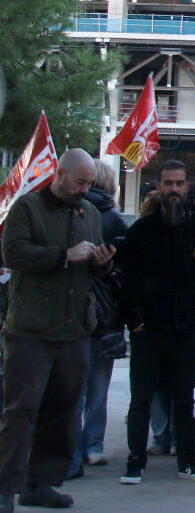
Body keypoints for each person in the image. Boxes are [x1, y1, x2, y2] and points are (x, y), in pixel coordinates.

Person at [0, 149, 115, 512]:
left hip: (74, 329)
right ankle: (5, 486)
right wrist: (63, 255)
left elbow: (90, 267)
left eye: (89, 184)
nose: (84, 190)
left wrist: (101, 263)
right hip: (31, 329)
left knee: (63, 410)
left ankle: (41, 483)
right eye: (79, 182)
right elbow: (13, 253)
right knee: (21, 410)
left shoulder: (90, 213)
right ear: (60, 174)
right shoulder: (27, 208)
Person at [118, 159, 195, 485]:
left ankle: (188, 461)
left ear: (187, 186)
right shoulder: (141, 230)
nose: (174, 189)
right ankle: (135, 461)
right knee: (141, 399)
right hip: (149, 329)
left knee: (184, 399)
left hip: (187, 330)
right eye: (168, 184)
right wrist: (134, 320)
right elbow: (128, 280)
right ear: (159, 187)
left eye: (179, 183)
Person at [69, 159, 129, 476]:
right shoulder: (115, 220)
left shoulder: (71, 212)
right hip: (106, 314)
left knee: (73, 388)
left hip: (74, 310)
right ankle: (93, 445)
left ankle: (73, 449)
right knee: (98, 387)